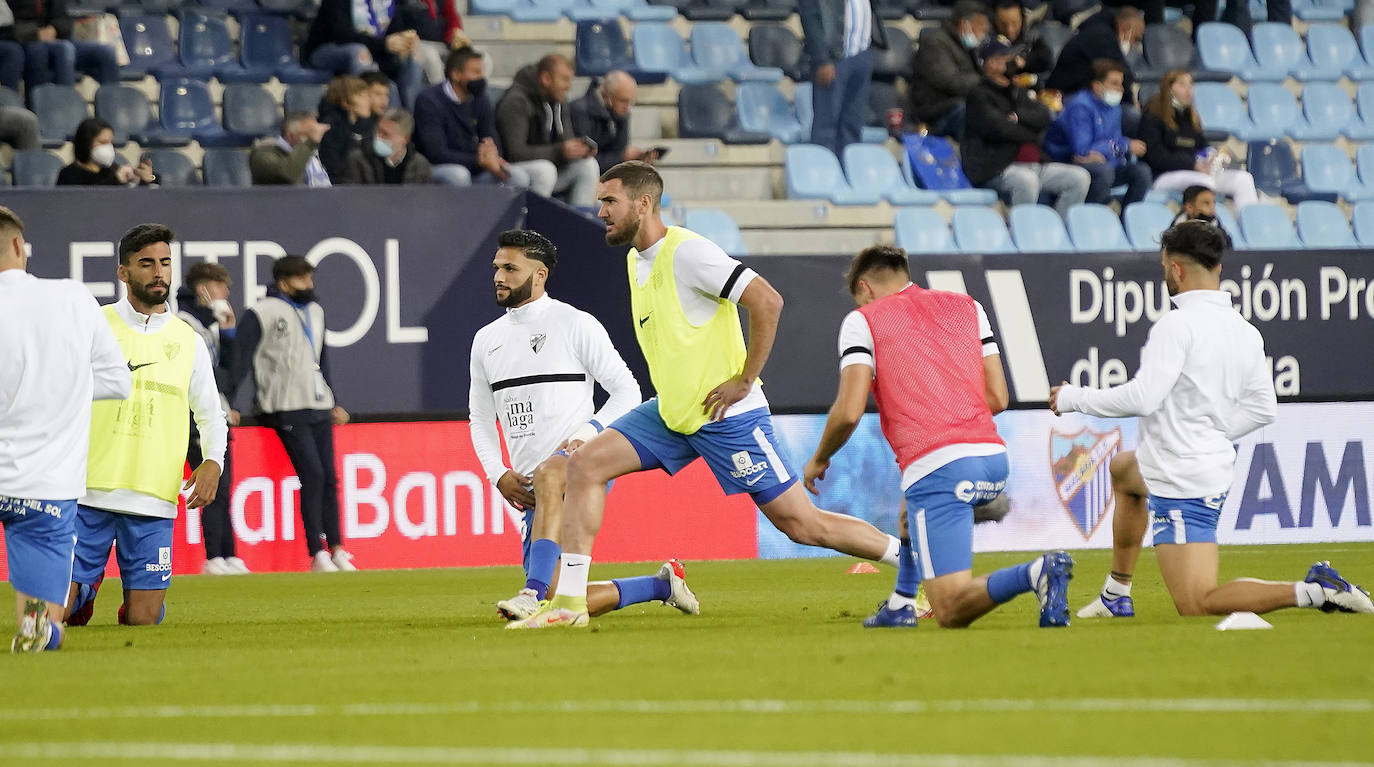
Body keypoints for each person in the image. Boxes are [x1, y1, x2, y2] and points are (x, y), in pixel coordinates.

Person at [508, 162, 905, 630]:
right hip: (673, 411)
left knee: (802, 524)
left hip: (725, 415)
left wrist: (743, 379)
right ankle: (570, 605)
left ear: (644, 203)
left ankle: (915, 562)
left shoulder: (689, 253)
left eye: (609, 201)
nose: (600, 211)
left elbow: (767, 300)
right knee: (586, 466)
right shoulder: (637, 259)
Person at [1052, 221, 1373, 619]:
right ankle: (1116, 594)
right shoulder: (1245, 330)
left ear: (1176, 269)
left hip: (1183, 478)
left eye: (1164, 266)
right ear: (1217, 269)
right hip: (1199, 462)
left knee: (1197, 602)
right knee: (1123, 471)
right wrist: (1213, 433)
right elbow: (1263, 408)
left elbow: (1144, 397)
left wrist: (1072, 397)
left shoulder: (1176, 325)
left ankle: (1315, 590)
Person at [801, 245, 1072, 629]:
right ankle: (901, 601)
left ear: (865, 287)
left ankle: (1036, 572)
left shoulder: (863, 320)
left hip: (941, 467)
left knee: (950, 607)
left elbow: (848, 411)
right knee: (911, 505)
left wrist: (820, 458)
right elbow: (997, 397)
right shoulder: (968, 306)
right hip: (994, 457)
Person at [469, 229, 699, 621]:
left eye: (510, 268)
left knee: (550, 479)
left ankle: (529, 591)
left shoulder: (575, 323)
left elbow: (628, 390)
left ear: (539, 275)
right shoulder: (485, 340)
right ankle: (661, 584)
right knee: (560, 597)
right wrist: (497, 473)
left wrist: (584, 437)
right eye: (496, 267)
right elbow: (479, 418)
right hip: (527, 485)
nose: (499, 276)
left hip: (575, 464)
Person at [64, 224, 228, 628]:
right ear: (124, 273)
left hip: (152, 502)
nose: (159, 272)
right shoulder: (94, 325)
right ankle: (82, 595)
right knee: (55, 613)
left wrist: (213, 462)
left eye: (165, 263)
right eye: (147, 263)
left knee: (143, 620)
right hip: (87, 496)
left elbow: (210, 412)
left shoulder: (187, 339)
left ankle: (123, 600)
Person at [0, 205, 130, 652]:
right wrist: (60, 385)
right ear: (18, 245)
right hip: (44, 486)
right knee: (40, 611)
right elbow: (118, 382)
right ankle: (39, 626)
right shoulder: (73, 298)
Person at [233, 256, 358, 573]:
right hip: (284, 404)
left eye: (310, 279)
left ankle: (338, 549)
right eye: (303, 280)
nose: (309, 286)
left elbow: (322, 358)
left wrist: (333, 399)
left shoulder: (315, 311)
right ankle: (316, 553)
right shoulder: (261, 312)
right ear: (285, 282)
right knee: (313, 475)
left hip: (318, 402)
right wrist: (230, 399)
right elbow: (240, 359)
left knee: (330, 477)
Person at [962, 40, 1090, 217]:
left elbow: (1044, 116)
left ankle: (1059, 233)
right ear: (991, 63)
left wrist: (1018, 118)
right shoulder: (979, 95)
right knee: (1027, 181)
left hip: (1032, 163)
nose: (1014, 61)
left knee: (1079, 178)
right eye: (1007, 57)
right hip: (996, 167)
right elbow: (1001, 129)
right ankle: (1024, 235)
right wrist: (1030, 133)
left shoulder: (1016, 91)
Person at [176, 263, 248, 576]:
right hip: (194, 418)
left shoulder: (207, 326)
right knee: (210, 485)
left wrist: (230, 332)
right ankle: (213, 556)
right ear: (204, 289)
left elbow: (228, 377)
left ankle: (228, 554)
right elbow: (200, 377)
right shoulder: (183, 323)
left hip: (213, 415)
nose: (227, 294)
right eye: (221, 287)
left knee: (223, 485)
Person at [412, 46, 534, 188]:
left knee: (518, 177)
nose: (481, 78)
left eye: (481, 72)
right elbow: (436, 153)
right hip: (437, 168)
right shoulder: (429, 100)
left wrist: (492, 158)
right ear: (456, 75)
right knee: (459, 175)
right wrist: (480, 161)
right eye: (475, 72)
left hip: (474, 165)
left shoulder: (481, 99)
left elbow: (492, 139)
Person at [1139, 70, 1258, 210]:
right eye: (1182, 85)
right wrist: (1192, 164)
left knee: (1244, 179)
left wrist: (1214, 156)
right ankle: (1205, 227)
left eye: (1190, 85)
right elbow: (1156, 157)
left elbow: (1201, 146)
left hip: (1195, 172)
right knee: (1205, 182)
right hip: (1162, 176)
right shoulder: (1153, 116)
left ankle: (1249, 227)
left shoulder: (1191, 117)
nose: (1188, 90)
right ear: (1168, 88)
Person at [1043, 59, 1152, 208]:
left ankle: (1126, 219)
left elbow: (1114, 142)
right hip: (1067, 161)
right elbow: (1083, 151)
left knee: (1141, 172)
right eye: (1114, 83)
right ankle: (1092, 218)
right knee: (1103, 171)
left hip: (1103, 163)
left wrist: (1111, 151)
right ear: (1096, 86)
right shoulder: (1080, 107)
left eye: (1121, 83)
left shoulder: (1115, 108)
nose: (1120, 89)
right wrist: (1123, 146)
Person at [495, 54, 599, 206]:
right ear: (546, 79)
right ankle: (534, 227)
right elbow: (515, 152)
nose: (568, 86)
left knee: (588, 165)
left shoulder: (559, 100)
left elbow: (565, 141)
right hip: (515, 169)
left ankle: (580, 225)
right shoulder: (516, 101)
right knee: (545, 170)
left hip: (550, 165)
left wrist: (577, 150)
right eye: (564, 79)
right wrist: (560, 151)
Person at [798, 0, 888, 158]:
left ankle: (849, 175)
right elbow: (809, 17)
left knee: (853, 125)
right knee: (826, 128)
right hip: (833, 59)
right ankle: (824, 176)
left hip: (862, 53)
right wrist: (822, 59)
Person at [303, 0, 423, 110]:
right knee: (359, 52)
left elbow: (394, 31)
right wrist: (384, 44)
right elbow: (341, 34)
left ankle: (410, 118)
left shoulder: (388, 2)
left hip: (374, 51)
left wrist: (402, 42)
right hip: (325, 51)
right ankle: (367, 115)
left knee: (413, 56)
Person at [908, 0, 988, 139]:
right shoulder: (935, 43)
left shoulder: (969, 46)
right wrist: (989, 81)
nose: (985, 30)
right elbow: (952, 82)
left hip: (961, 103)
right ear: (964, 24)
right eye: (981, 25)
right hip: (937, 112)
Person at [2, 0, 119, 90]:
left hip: (55, 38)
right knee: (62, 49)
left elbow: (64, 20)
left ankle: (113, 111)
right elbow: (6, 26)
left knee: (106, 52)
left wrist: (54, 29)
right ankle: (65, 108)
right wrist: (36, 33)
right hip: (24, 41)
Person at [1045, 7, 1142, 106]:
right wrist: (1131, 102)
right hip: (1066, 95)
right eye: (1135, 38)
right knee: (1130, 114)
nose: (1133, 43)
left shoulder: (1099, 30)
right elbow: (1117, 70)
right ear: (1126, 28)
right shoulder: (1101, 37)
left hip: (1077, 92)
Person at [570, 71, 648, 173]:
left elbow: (620, 149)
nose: (628, 107)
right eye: (623, 101)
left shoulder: (621, 113)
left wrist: (636, 159)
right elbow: (584, 159)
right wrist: (621, 157)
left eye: (631, 101)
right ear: (605, 95)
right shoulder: (579, 110)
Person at [342, 107, 433, 184]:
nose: (378, 137)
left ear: (405, 139)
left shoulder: (419, 165)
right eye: (378, 131)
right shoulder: (358, 159)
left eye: (385, 134)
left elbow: (423, 200)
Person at [57, 118, 157, 187]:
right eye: (102, 142)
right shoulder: (69, 175)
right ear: (85, 143)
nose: (108, 147)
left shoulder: (112, 170)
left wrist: (147, 178)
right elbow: (91, 200)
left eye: (110, 142)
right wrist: (116, 180)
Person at [317, 75, 377, 182]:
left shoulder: (368, 125)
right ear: (346, 103)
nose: (369, 101)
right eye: (361, 96)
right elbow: (332, 168)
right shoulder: (330, 129)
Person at [250, 111, 332, 187]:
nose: (316, 137)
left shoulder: (310, 154)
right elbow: (289, 173)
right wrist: (310, 143)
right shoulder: (263, 154)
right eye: (310, 133)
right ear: (290, 136)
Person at [991, 0, 1053, 81]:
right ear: (995, 21)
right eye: (1003, 24)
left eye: (1014, 23)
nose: (1009, 30)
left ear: (1022, 19)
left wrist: (1024, 61)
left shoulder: (1031, 33)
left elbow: (1046, 59)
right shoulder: (988, 39)